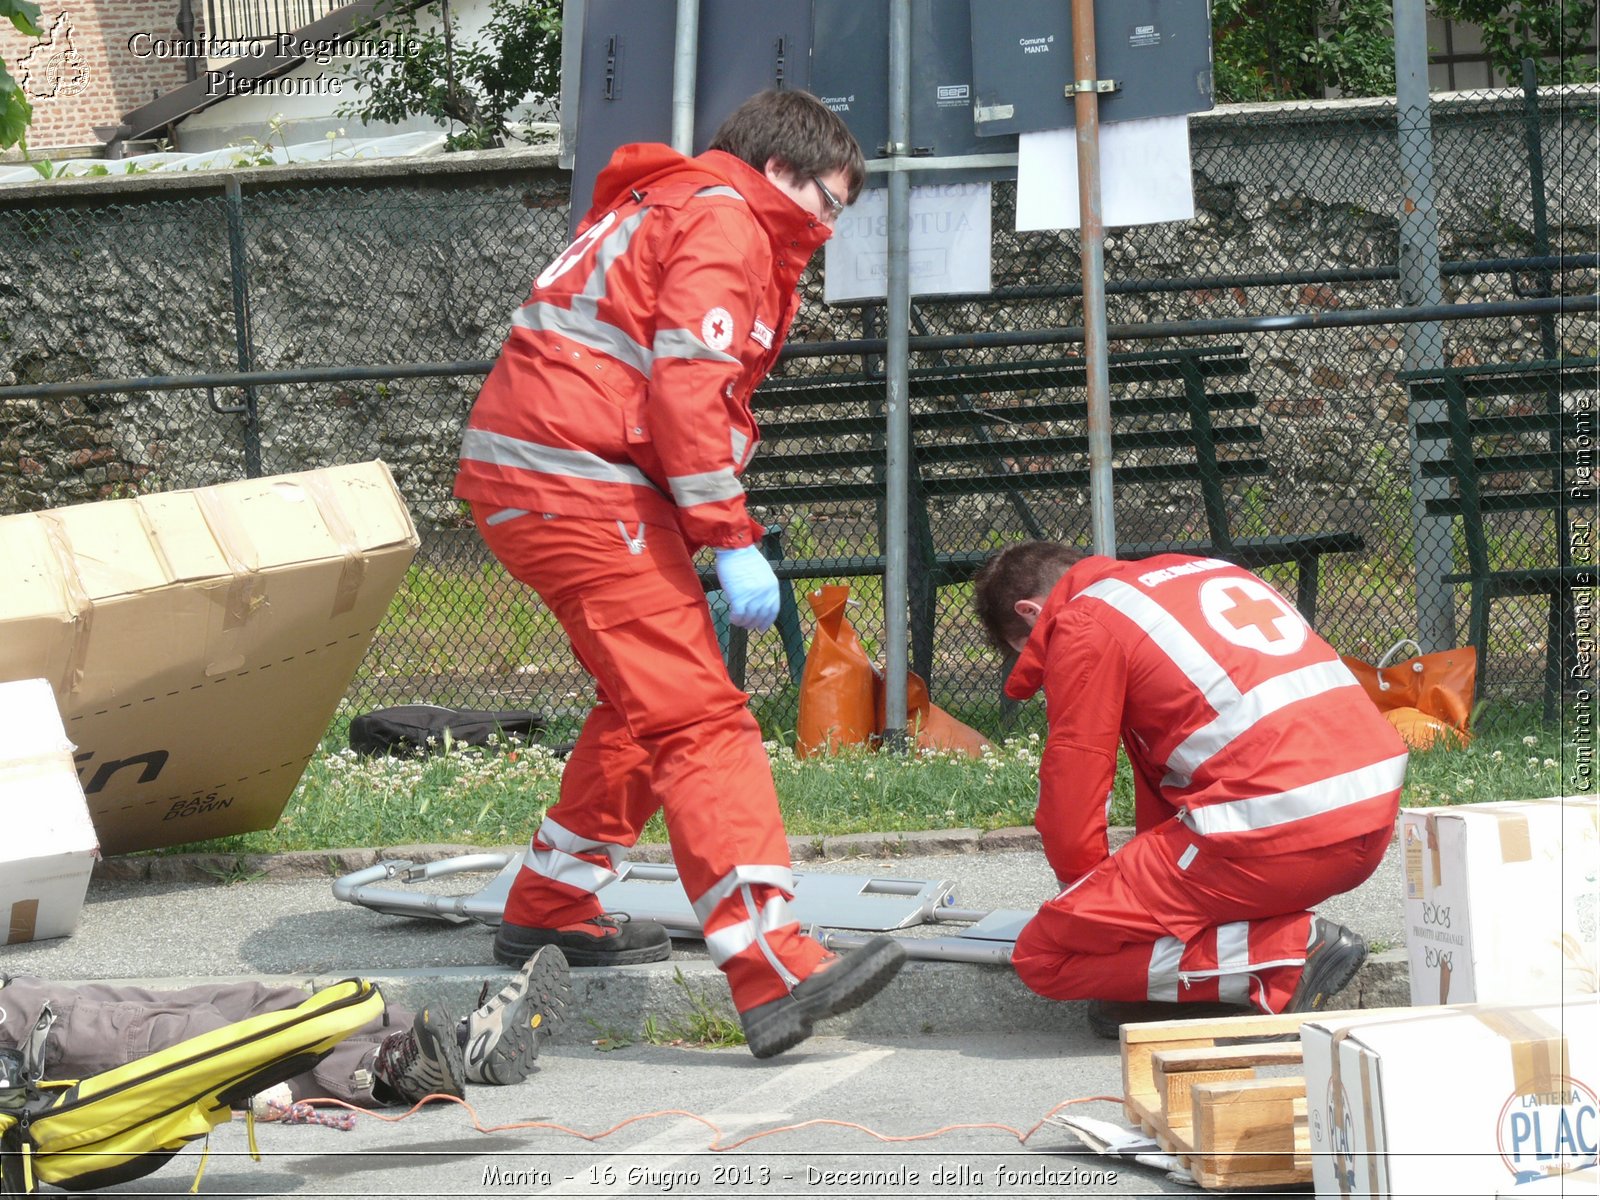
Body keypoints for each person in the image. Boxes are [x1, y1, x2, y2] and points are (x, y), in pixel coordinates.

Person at [453, 89, 906, 1059]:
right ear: (781, 172)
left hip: (541, 479)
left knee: (643, 705)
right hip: (583, 490)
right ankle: (770, 962)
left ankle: (552, 906)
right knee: (700, 717)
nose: (828, 229)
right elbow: (687, 386)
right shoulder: (728, 219)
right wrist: (729, 534)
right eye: (829, 202)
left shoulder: (667, 202)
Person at [972, 542, 1408, 1036]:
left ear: (1031, 613)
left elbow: (1074, 785)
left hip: (1269, 836)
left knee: (1044, 955)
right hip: (1367, 823)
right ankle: (1240, 962)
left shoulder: (1085, 619)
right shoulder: (1205, 573)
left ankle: (1286, 953)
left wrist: (1086, 906)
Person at [0, 947, 570, 1107]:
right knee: (186, 1040)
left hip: (24, 998)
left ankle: (455, 1046)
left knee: (254, 1001)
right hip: (23, 1039)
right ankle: (384, 1071)